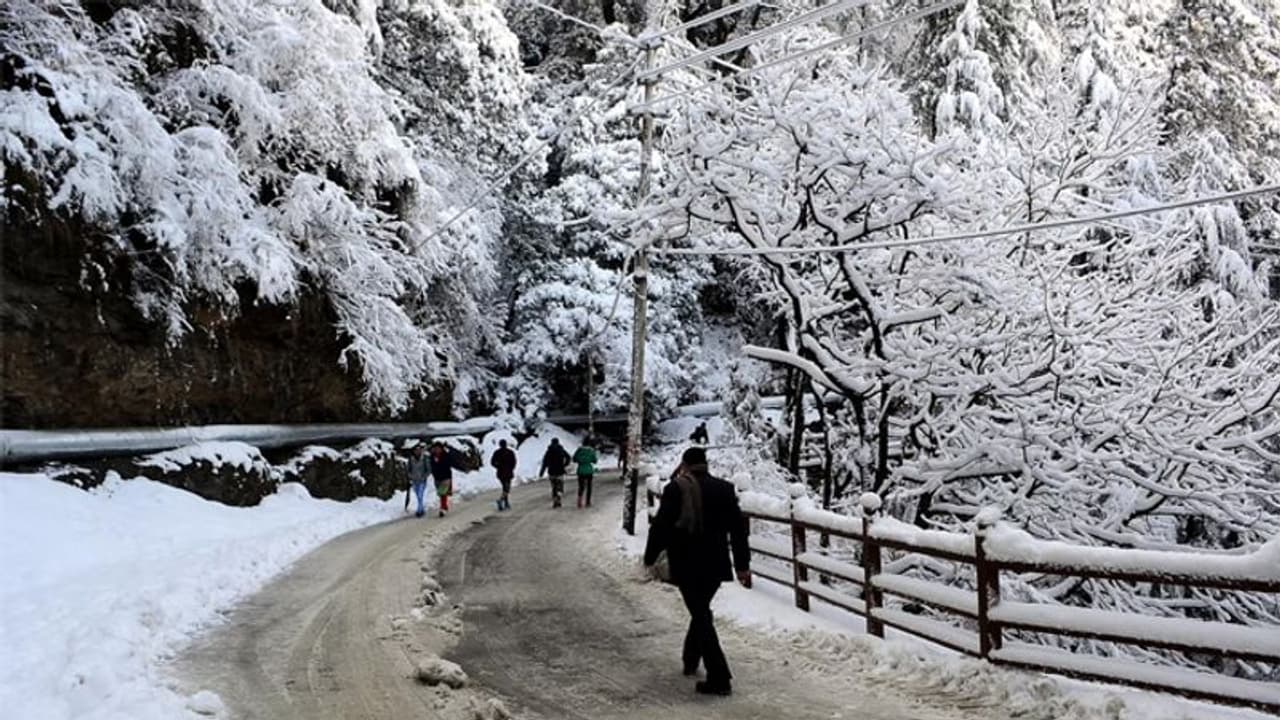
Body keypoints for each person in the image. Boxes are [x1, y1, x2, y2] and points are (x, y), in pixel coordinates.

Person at [644, 447, 751, 697]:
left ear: (685, 465)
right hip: (715, 564)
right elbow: (737, 530)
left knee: (700, 614)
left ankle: (719, 677)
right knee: (700, 610)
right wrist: (742, 564)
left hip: (687, 563)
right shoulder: (724, 488)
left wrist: (650, 557)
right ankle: (690, 659)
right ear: (705, 464)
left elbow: (660, 527)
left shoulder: (675, 489)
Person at [429, 442, 458, 518]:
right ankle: (445, 506)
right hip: (437, 477)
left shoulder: (446, 455)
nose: (437, 450)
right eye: (435, 448)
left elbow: (450, 463)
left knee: (442, 492)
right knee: (441, 493)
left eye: (438, 448)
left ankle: (442, 508)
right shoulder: (432, 456)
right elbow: (431, 466)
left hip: (446, 477)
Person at [539, 438, 571, 508]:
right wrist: (565, 464)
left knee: (554, 487)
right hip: (560, 471)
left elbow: (544, 462)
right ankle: (559, 496)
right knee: (560, 486)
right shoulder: (561, 450)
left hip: (551, 472)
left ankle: (555, 500)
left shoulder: (549, 451)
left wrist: (541, 472)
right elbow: (568, 457)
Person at [490, 439, 518, 511]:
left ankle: (505, 502)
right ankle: (501, 500)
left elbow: (492, 462)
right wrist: (511, 468)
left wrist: (498, 466)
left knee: (505, 488)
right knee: (507, 488)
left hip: (501, 473)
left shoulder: (497, 453)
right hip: (507, 473)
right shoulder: (510, 452)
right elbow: (514, 462)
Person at [572, 438, 599, 509]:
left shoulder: (579, 450)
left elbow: (574, 459)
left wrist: (580, 460)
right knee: (589, 487)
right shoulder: (591, 451)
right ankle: (588, 501)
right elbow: (595, 460)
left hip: (580, 470)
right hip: (589, 470)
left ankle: (579, 501)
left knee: (581, 486)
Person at [406, 441, 431, 518]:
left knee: (420, 495)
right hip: (414, 480)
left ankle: (419, 511)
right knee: (418, 496)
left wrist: (424, 476)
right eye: (416, 450)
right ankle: (421, 509)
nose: (417, 451)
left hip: (422, 481)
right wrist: (410, 476)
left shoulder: (424, 459)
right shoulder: (411, 459)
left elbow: (428, 469)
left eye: (419, 450)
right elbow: (408, 469)